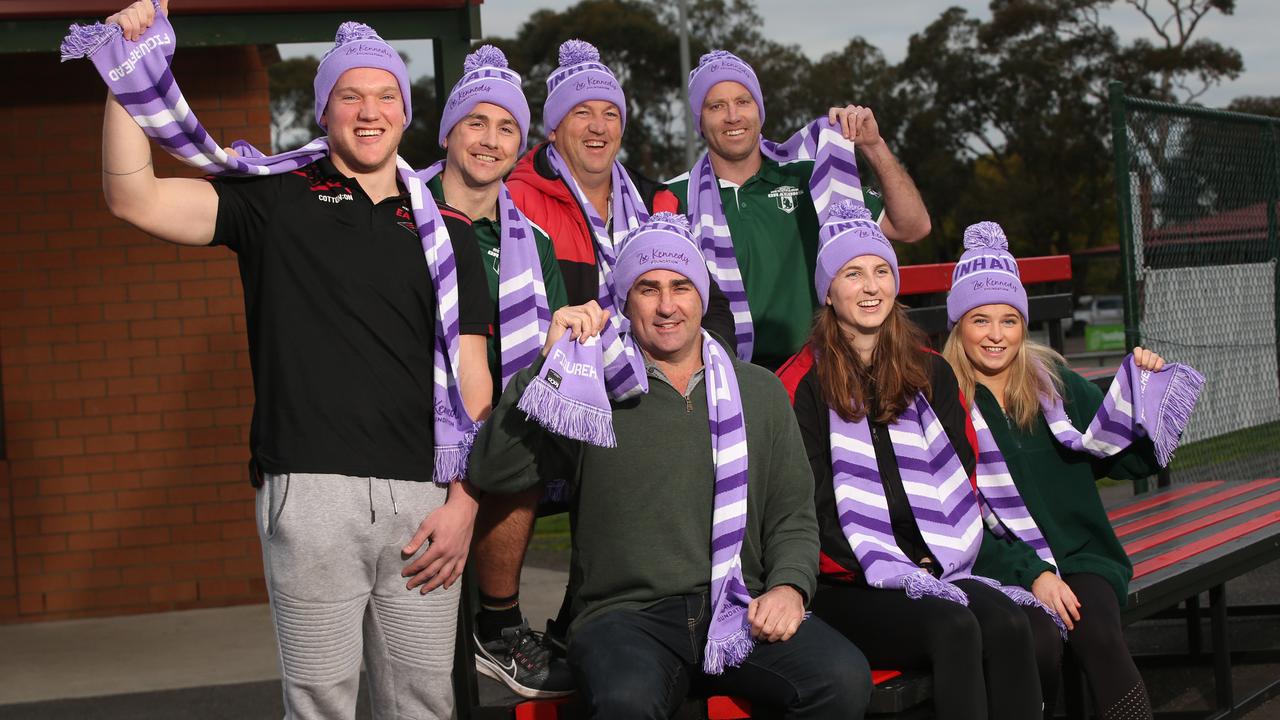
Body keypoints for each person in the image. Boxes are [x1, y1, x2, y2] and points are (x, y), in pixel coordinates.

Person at [94, 3, 491, 717]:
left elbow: (474, 384)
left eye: (385, 96)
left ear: (405, 113)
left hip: (428, 502)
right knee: (318, 703)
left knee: (427, 703)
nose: (369, 112)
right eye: (350, 96)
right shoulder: (275, 199)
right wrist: (127, 68)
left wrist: (466, 502)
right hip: (309, 495)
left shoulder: (449, 233)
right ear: (325, 111)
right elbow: (134, 198)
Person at [469, 213, 872, 719]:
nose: (666, 306)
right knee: (627, 703)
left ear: (701, 296)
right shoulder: (587, 385)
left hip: (735, 604)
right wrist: (545, 367)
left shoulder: (759, 391)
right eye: (647, 288)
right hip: (625, 618)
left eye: (681, 286)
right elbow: (494, 470)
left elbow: (792, 514)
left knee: (842, 677)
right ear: (624, 300)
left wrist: (791, 586)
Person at [783, 201, 1061, 720]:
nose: (871, 287)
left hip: (937, 565)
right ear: (827, 289)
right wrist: (902, 566)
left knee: (1010, 624)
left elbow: (959, 482)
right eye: (853, 273)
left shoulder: (930, 372)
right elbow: (806, 511)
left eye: (882, 271)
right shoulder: (799, 383)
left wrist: (931, 558)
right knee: (954, 628)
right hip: (844, 579)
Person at [942, 221, 1173, 719]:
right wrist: (1035, 574)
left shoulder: (1056, 386)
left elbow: (1132, 461)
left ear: (1024, 325)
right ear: (958, 325)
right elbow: (953, 519)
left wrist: (1144, 396)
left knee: (1100, 636)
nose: (996, 335)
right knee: (1038, 644)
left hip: (1080, 556)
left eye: (1009, 320)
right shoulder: (944, 402)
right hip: (997, 567)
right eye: (980, 320)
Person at [426, 45, 574, 698]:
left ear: (520, 144)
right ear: (450, 131)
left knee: (544, 416)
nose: (490, 139)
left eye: (506, 127)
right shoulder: (404, 210)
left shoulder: (533, 240)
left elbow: (548, 352)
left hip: (493, 427)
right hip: (412, 417)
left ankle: (511, 624)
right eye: (477, 122)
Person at [666, 50, 932, 369]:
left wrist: (874, 146)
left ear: (759, 111)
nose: (733, 116)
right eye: (716, 106)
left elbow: (913, 227)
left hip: (820, 371)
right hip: (726, 377)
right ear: (700, 120)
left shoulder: (809, 174)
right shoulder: (674, 196)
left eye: (743, 102)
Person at [506, 39, 736, 345]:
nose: (599, 127)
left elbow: (710, 303)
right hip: (564, 382)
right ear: (553, 129)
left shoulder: (658, 203)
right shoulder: (516, 202)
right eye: (582, 113)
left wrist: (708, 368)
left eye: (611, 114)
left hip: (656, 383)